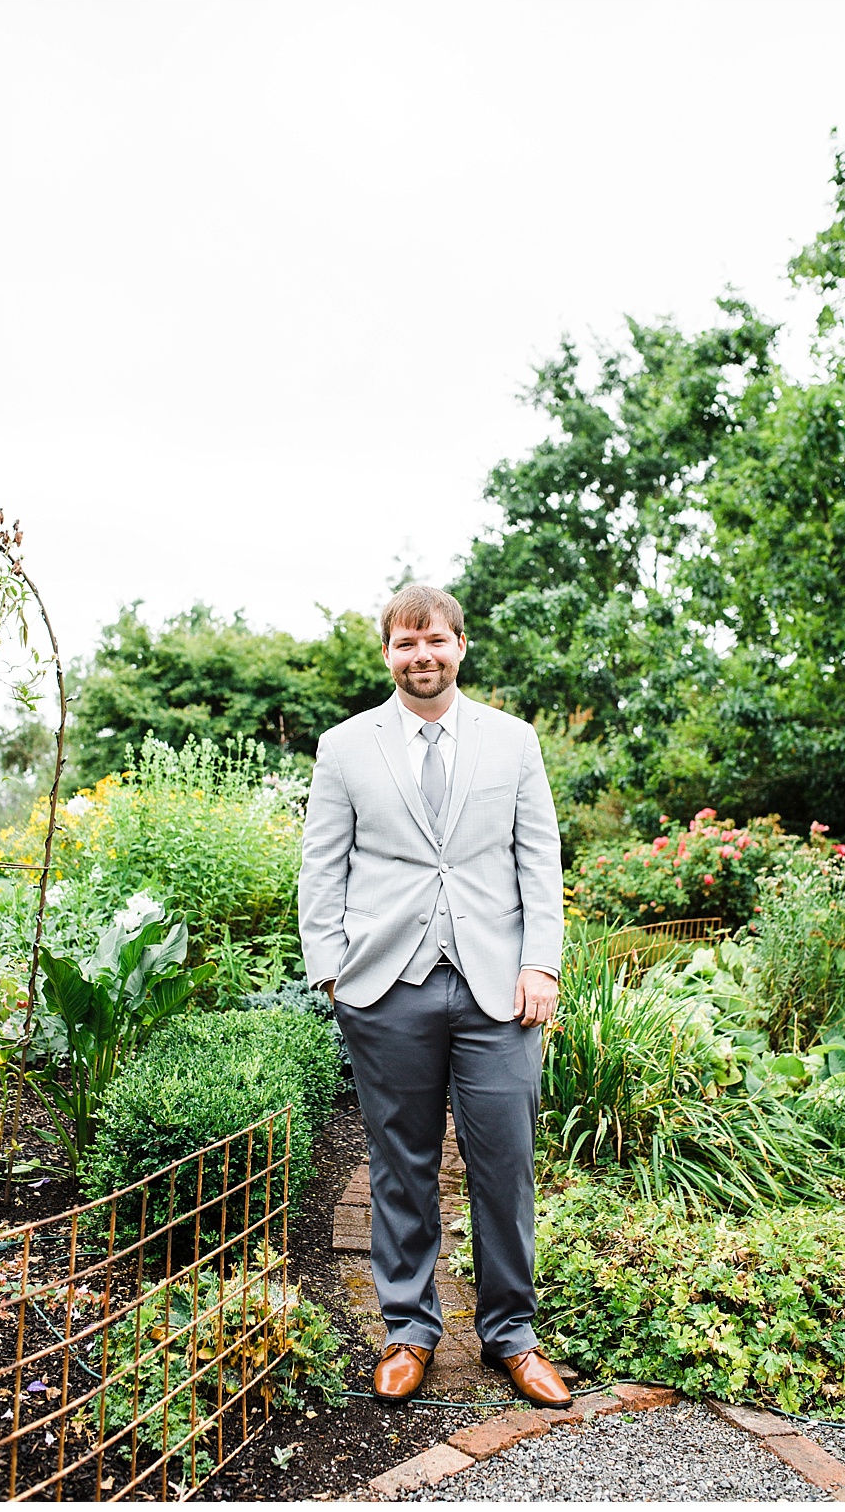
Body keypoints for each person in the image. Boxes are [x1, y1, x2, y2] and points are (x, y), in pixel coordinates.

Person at [298, 584, 570, 1406]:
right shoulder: (346, 748)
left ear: (460, 645)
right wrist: (333, 972)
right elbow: (323, 866)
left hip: (497, 988)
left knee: (505, 1168)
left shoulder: (513, 742)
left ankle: (511, 1336)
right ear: (389, 653)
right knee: (400, 1168)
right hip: (386, 987)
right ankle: (409, 1331)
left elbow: (538, 861)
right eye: (405, 644)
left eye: (436, 642)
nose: (422, 656)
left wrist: (542, 964)